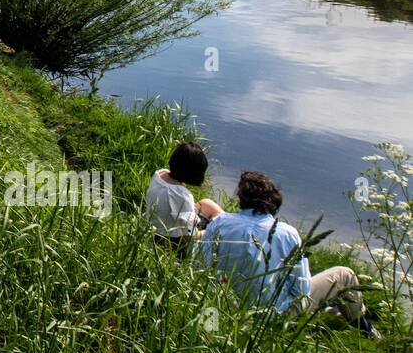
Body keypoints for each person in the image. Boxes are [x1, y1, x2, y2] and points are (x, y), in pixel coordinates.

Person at [197, 171, 380, 339]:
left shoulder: (220, 223)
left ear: (241, 199)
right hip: (271, 317)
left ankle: (341, 310)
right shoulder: (287, 233)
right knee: (344, 275)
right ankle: (365, 328)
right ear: (274, 202)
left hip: (226, 310)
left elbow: (199, 268)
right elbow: (302, 291)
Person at [145, 142, 223, 252]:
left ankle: (227, 223)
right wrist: (209, 230)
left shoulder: (160, 174)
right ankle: (228, 226)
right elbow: (189, 237)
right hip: (173, 244)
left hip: (154, 229)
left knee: (206, 203)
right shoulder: (182, 195)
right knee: (217, 225)